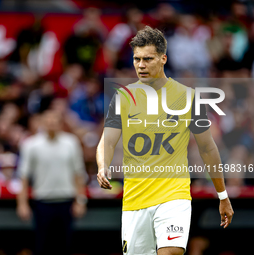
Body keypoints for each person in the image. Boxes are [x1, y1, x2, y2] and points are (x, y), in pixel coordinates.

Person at [96, 26, 234, 255]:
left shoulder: (188, 97)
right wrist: (103, 165)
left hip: (174, 196)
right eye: (136, 59)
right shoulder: (122, 97)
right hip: (135, 201)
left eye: (147, 59)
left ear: (163, 58)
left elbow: (208, 147)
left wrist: (223, 195)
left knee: (170, 252)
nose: (141, 65)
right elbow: (107, 141)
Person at [16, 110, 87, 255]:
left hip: (66, 202)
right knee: (42, 246)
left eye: (55, 121)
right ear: (43, 123)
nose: (51, 124)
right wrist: (22, 204)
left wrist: (81, 201)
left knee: (65, 246)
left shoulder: (71, 143)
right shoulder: (31, 145)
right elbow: (23, 177)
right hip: (42, 203)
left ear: (60, 123)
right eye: (48, 121)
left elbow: (78, 174)